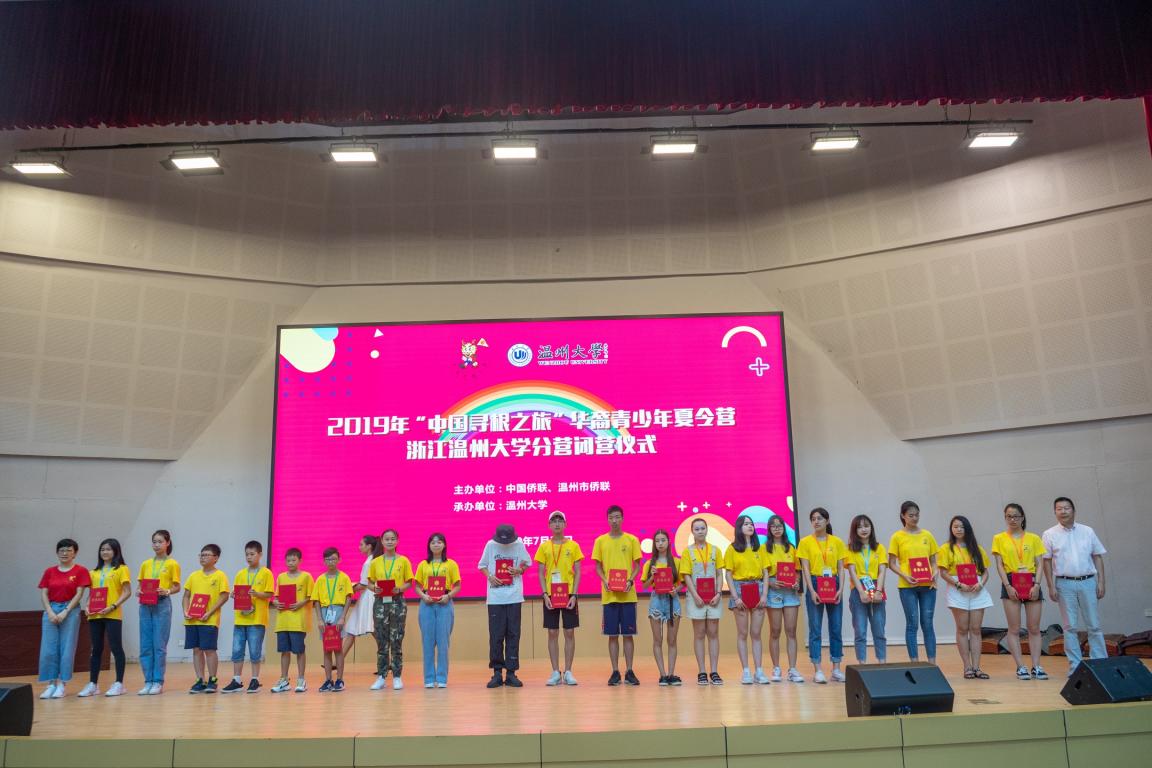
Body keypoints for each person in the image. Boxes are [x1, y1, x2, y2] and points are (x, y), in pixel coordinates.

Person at [1042, 496, 1108, 678]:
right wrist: (1050, 586)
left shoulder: (1087, 531)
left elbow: (1097, 556)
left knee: (1094, 625)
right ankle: (1075, 668)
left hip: (1088, 581)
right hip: (1064, 583)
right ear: (1055, 512)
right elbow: (1046, 561)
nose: (1063, 511)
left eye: (1067, 508)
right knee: (1069, 627)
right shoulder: (1049, 534)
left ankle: (1100, 664)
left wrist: (1101, 581)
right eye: (1059, 509)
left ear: (1073, 510)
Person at [992, 503, 1049, 680]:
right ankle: (1020, 667)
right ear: (1005, 518)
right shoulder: (999, 538)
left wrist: (1037, 585)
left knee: (1034, 627)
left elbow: (1040, 564)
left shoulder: (1033, 538)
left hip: (1031, 581)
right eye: (1009, 516)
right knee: (1014, 628)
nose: (1013, 519)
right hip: (1011, 581)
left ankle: (1037, 666)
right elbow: (999, 565)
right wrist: (1007, 586)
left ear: (1022, 517)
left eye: (1016, 516)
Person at [593, 505, 643, 686]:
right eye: (611, 517)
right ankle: (615, 671)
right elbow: (598, 567)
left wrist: (630, 580)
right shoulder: (600, 541)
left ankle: (629, 671)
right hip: (609, 596)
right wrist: (605, 580)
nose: (614, 520)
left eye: (617, 517)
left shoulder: (632, 539)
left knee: (628, 635)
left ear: (622, 518)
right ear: (607, 520)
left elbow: (637, 565)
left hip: (628, 596)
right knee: (612, 635)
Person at [937, 515, 993, 679]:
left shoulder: (976, 548)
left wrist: (981, 584)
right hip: (957, 589)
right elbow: (943, 573)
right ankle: (967, 667)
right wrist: (958, 584)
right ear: (951, 529)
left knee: (976, 629)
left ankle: (977, 667)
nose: (959, 529)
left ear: (967, 529)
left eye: (962, 526)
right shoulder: (945, 548)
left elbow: (985, 572)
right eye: (955, 526)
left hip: (977, 589)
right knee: (962, 629)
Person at [479, 524, 532, 688]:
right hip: (495, 599)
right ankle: (496, 673)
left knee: (513, 635)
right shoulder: (490, 545)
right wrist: (490, 576)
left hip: (514, 597)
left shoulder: (519, 544)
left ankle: (511, 673)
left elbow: (527, 563)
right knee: (496, 636)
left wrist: (520, 570)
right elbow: (482, 566)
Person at [37, 538, 91, 699]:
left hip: (71, 610)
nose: (65, 553)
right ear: (57, 552)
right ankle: (51, 684)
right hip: (51, 609)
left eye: (69, 550)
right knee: (48, 649)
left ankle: (62, 684)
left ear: (75, 553)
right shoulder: (49, 571)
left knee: (67, 648)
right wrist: (50, 612)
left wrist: (65, 612)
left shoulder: (81, 571)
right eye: (61, 550)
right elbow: (44, 593)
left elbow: (79, 593)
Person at [535, 510, 583, 686]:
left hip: (569, 594)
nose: (557, 523)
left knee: (569, 632)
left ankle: (568, 671)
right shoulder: (544, 547)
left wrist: (575, 594)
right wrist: (544, 594)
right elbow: (541, 573)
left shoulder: (573, 546)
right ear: (549, 525)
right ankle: (555, 671)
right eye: (554, 521)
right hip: (550, 594)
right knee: (552, 632)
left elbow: (578, 572)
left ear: (565, 524)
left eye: (560, 520)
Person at [798, 508, 846, 683]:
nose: (816, 521)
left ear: (827, 520)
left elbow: (841, 567)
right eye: (813, 519)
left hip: (834, 583)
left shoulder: (837, 542)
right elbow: (805, 568)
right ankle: (817, 669)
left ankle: (836, 668)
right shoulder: (805, 542)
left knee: (836, 627)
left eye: (819, 518)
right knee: (815, 628)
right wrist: (811, 591)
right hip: (815, 582)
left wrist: (841, 589)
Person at [888, 500, 939, 664]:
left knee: (928, 623)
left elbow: (934, 561)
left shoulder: (927, 535)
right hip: (907, 587)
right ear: (903, 516)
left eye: (917, 515)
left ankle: (932, 664)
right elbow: (891, 563)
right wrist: (905, 576)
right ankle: (915, 663)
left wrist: (935, 572)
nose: (915, 518)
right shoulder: (897, 537)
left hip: (928, 586)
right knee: (912, 624)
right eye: (911, 515)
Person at [79, 538, 131, 697]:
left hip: (112, 614)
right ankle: (93, 684)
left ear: (115, 551)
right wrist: (87, 606)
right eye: (102, 549)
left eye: (108, 549)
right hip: (95, 615)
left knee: (116, 647)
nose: (105, 552)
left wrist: (113, 606)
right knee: (96, 648)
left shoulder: (121, 569)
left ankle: (119, 683)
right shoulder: (93, 572)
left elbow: (127, 592)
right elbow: (91, 593)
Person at [724, 514, 770, 684]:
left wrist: (764, 595)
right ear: (739, 528)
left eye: (751, 524)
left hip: (758, 588)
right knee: (742, 633)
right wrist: (735, 597)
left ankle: (759, 671)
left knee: (756, 633)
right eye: (746, 524)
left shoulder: (760, 548)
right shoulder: (732, 549)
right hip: (739, 589)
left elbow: (765, 573)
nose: (750, 526)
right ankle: (746, 671)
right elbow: (728, 574)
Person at [222, 540, 274, 693]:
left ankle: (255, 680)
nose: (249, 557)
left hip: (257, 619)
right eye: (247, 554)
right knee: (237, 650)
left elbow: (270, 594)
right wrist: (234, 594)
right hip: (241, 618)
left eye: (252, 554)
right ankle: (237, 680)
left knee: (255, 651)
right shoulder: (241, 574)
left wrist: (257, 594)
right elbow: (238, 591)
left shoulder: (266, 573)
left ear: (260, 554)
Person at [679, 517, 723, 685]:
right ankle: (702, 671)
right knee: (699, 634)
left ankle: (714, 671)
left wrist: (718, 593)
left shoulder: (715, 550)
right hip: (695, 598)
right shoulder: (687, 552)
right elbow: (686, 575)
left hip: (714, 598)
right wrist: (695, 595)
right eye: (696, 529)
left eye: (702, 528)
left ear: (707, 529)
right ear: (692, 531)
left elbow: (719, 574)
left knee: (713, 633)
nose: (700, 531)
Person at [413, 532, 461, 688]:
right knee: (427, 642)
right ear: (429, 545)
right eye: (433, 542)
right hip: (427, 603)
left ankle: (441, 678)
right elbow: (417, 586)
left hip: (444, 602)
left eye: (439, 542)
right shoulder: (423, 564)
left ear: (444, 545)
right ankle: (428, 679)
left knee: (443, 643)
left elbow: (457, 586)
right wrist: (423, 596)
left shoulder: (451, 564)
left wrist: (448, 596)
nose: (436, 544)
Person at [367, 529, 413, 691]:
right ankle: (381, 676)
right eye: (387, 539)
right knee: (381, 640)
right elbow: (370, 583)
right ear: (382, 541)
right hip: (380, 603)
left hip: (397, 602)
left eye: (393, 539)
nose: (390, 542)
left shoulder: (403, 561)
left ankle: (397, 676)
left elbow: (409, 582)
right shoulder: (375, 562)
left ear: (397, 541)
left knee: (396, 639)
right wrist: (375, 588)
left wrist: (399, 589)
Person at [136, 529, 180, 695]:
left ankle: (158, 681)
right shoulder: (146, 564)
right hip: (145, 605)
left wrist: (167, 591)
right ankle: (148, 681)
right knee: (145, 645)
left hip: (162, 604)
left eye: (160, 541)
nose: (156, 544)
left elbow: (177, 586)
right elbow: (140, 585)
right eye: (154, 542)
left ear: (167, 543)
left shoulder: (172, 564)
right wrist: (138, 591)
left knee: (159, 645)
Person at [183, 544, 230, 693]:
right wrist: (185, 611)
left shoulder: (220, 576)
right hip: (192, 620)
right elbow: (186, 596)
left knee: (209, 650)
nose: (203, 557)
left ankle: (212, 680)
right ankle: (200, 680)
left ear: (216, 558)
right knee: (196, 650)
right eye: (201, 555)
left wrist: (209, 613)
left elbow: (224, 596)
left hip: (209, 619)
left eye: (206, 555)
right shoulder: (193, 576)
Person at [764, 515, 804, 683]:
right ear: (769, 529)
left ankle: (792, 669)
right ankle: (776, 668)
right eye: (773, 526)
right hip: (774, 591)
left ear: (784, 528)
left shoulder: (791, 548)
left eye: (779, 525)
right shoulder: (764, 548)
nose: (777, 528)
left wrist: (797, 582)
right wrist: (771, 583)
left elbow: (797, 571)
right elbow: (763, 573)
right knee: (775, 631)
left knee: (791, 631)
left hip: (790, 593)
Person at [844, 514, 887, 666]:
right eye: (859, 527)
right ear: (854, 530)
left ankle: (882, 663)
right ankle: (862, 665)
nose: (863, 529)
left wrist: (879, 591)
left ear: (871, 528)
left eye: (866, 526)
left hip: (876, 588)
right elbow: (852, 572)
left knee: (879, 630)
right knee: (860, 631)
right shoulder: (850, 549)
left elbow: (882, 571)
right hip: (858, 591)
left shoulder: (879, 548)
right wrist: (861, 592)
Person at [640, 528, 681, 686]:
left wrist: (676, 590)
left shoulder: (676, 561)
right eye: (657, 541)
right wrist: (652, 576)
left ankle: (671, 674)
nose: (660, 543)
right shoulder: (649, 563)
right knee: (658, 639)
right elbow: (644, 586)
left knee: (672, 639)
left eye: (663, 540)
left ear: (669, 542)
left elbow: (682, 583)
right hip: (656, 600)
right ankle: (662, 675)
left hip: (672, 600)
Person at [270, 547, 313, 693]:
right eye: (288, 560)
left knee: (299, 651)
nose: (290, 563)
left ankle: (301, 680)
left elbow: (310, 597)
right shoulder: (281, 577)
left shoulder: (306, 577)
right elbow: (276, 597)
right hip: (283, 621)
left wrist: (300, 603)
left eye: (293, 560)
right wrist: (275, 602)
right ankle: (284, 680)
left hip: (298, 621)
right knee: (284, 651)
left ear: (300, 561)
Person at [311, 547, 354, 692]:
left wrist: (342, 617)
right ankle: (328, 680)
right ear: (324, 561)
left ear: (339, 560)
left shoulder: (344, 578)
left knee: (338, 648)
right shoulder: (320, 579)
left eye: (334, 559)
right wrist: (319, 619)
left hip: (338, 611)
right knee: (326, 649)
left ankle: (340, 680)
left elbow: (348, 598)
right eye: (328, 559)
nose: (331, 562)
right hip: (324, 613)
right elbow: (316, 601)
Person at [342, 534, 379, 658]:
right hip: (368, 597)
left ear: (369, 546)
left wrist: (348, 588)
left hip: (368, 599)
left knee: (372, 629)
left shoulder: (369, 563)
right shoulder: (373, 560)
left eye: (361, 544)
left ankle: (387, 660)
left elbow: (363, 585)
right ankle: (338, 662)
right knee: (353, 629)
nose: (359, 547)